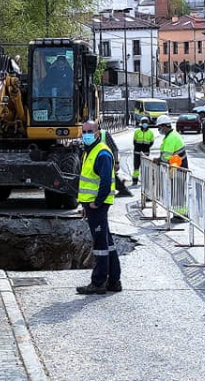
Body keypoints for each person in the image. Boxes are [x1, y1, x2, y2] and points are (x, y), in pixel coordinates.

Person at [76, 120, 122, 295]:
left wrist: (97, 202)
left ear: (97, 133)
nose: (86, 134)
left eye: (89, 131)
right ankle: (114, 280)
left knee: (100, 244)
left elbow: (104, 182)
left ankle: (98, 282)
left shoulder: (101, 153)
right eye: (84, 131)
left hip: (98, 205)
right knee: (107, 242)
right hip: (93, 204)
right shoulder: (90, 151)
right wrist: (86, 205)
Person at [154, 115, 188, 223]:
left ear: (165, 126)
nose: (159, 130)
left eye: (159, 127)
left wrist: (159, 160)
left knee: (178, 192)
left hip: (178, 169)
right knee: (178, 192)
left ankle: (180, 215)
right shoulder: (172, 136)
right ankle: (180, 214)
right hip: (178, 168)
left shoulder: (171, 138)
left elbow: (166, 157)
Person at [100, 127, 133, 197]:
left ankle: (123, 190)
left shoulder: (104, 134)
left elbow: (115, 149)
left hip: (106, 160)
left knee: (109, 176)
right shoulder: (86, 135)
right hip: (98, 162)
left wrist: (116, 162)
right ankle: (123, 190)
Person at [131, 119, 155, 186]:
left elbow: (151, 142)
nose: (145, 124)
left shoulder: (150, 133)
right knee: (136, 168)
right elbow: (134, 141)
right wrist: (138, 147)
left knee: (145, 167)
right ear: (141, 124)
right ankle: (135, 180)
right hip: (137, 152)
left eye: (146, 123)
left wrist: (146, 148)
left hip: (146, 153)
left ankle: (145, 181)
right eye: (144, 123)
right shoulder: (137, 132)